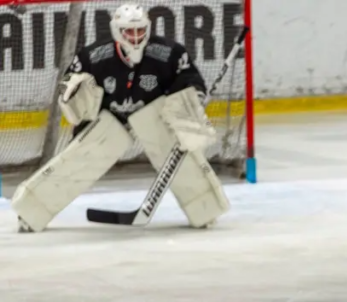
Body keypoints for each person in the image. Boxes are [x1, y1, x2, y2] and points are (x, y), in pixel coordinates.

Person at [13, 3, 228, 232]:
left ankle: (204, 209)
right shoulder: (94, 56)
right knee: (80, 161)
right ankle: (30, 211)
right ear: (117, 30)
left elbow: (190, 78)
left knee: (178, 149)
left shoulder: (168, 53)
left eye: (140, 31)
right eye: (129, 31)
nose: (135, 37)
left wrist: (192, 100)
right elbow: (69, 83)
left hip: (153, 115)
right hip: (109, 119)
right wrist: (73, 94)